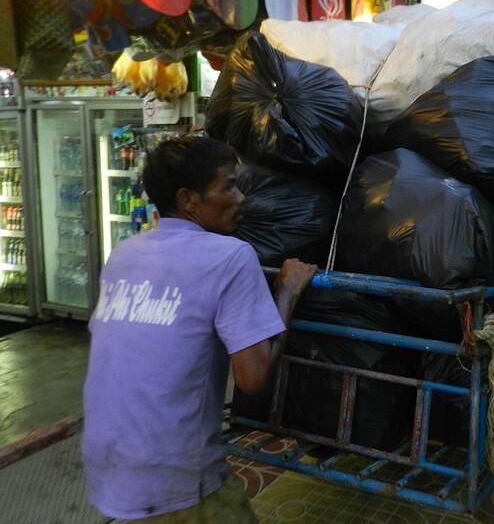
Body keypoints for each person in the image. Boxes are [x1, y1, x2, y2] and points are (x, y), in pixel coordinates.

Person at [82, 136, 318, 522]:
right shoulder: (230, 256)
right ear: (189, 199)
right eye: (228, 186)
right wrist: (288, 293)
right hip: (173, 470)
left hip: (106, 460)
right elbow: (253, 377)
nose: (241, 198)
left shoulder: (124, 253)